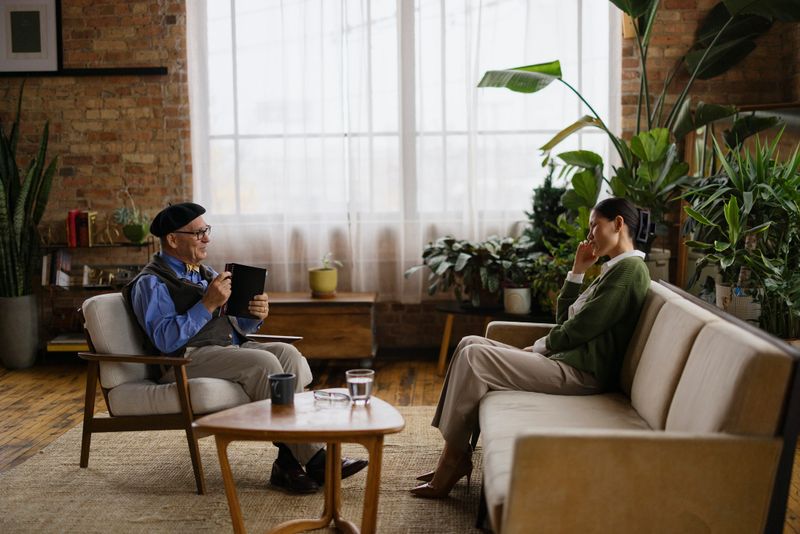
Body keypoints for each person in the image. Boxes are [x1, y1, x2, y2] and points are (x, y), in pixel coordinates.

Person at [411, 197, 651, 498]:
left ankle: (453, 460)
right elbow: (566, 319)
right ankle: (457, 454)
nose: (589, 235)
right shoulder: (613, 269)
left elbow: (581, 329)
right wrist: (577, 272)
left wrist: (538, 348)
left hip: (582, 373)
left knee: (474, 356)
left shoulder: (629, 271)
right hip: (568, 362)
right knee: (469, 343)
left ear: (618, 224)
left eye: (595, 226)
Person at [123, 202, 367, 494]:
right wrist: (208, 303)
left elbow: (232, 323)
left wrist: (254, 316)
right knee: (263, 365)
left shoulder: (203, 272)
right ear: (173, 239)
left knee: (288, 355)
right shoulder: (151, 283)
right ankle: (317, 459)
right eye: (199, 233)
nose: (207, 239)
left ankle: (287, 464)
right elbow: (165, 339)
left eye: (207, 231)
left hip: (224, 349)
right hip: (183, 358)